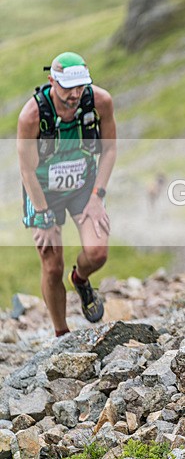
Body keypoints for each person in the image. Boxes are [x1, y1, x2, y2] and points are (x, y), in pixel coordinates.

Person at [17, 52, 117, 336]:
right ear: (52, 81)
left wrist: (98, 196)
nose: (74, 95)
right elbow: (26, 170)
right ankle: (62, 334)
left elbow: (109, 150)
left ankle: (81, 279)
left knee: (97, 253)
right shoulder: (32, 115)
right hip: (43, 190)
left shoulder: (100, 101)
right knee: (51, 264)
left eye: (80, 87)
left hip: (84, 185)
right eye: (67, 88)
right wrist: (44, 215)